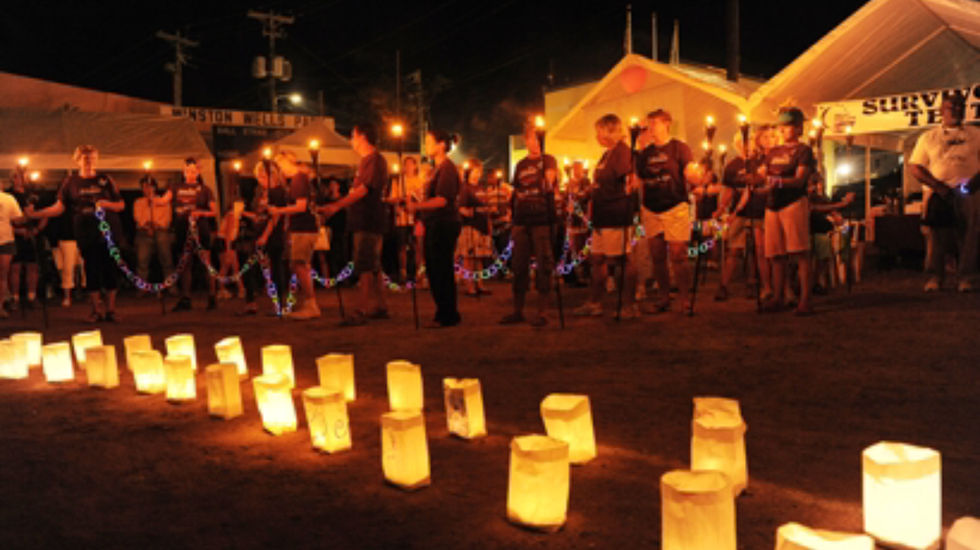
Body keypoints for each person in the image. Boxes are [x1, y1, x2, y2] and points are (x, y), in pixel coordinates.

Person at [27, 145, 126, 322]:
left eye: (92, 158)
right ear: (77, 160)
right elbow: (59, 207)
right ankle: (96, 310)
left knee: (110, 270)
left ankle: (111, 310)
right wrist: (37, 214)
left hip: (109, 232)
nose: (89, 161)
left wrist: (106, 204)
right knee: (92, 270)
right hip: (86, 231)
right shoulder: (70, 182)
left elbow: (121, 205)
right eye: (85, 158)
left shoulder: (106, 179)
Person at [910, 91, 980, 293]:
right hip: (937, 193)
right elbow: (916, 166)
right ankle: (934, 276)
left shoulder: (976, 134)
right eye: (952, 107)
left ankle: (966, 277)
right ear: (942, 111)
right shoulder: (928, 137)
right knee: (935, 236)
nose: (957, 110)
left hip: (969, 191)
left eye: (960, 106)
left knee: (969, 234)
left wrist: (975, 183)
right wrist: (937, 186)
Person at [321, 124, 390, 326]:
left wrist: (337, 206)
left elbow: (363, 190)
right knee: (374, 266)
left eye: (353, 136)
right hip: (363, 219)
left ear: (363, 137)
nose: (351, 140)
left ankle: (361, 309)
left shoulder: (375, 160)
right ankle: (380, 306)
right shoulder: (366, 162)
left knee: (365, 265)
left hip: (369, 220)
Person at [634, 109, 702, 315]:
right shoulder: (644, 154)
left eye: (654, 123)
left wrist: (694, 177)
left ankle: (684, 298)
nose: (651, 127)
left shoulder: (679, 148)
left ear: (666, 124)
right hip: (651, 207)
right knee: (656, 255)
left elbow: (691, 174)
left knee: (678, 254)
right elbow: (639, 180)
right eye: (649, 123)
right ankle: (664, 297)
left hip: (674, 205)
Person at [574, 114, 640, 319]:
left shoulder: (622, 152)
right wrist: (588, 192)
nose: (596, 136)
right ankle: (595, 302)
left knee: (621, 260)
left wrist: (631, 185)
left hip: (616, 214)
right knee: (597, 259)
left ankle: (629, 304)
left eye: (599, 131)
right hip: (601, 216)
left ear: (610, 130)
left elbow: (629, 180)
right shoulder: (606, 154)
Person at [760, 107, 816, 315]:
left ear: (799, 128)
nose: (783, 130)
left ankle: (805, 300)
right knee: (776, 254)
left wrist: (774, 181)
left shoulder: (803, 151)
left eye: (788, 125)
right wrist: (754, 181)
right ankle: (777, 297)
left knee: (800, 252)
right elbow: (763, 177)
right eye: (781, 126)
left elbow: (800, 179)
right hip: (772, 205)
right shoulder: (772, 152)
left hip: (793, 203)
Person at [501, 124, 558, 326]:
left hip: (541, 219)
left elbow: (549, 184)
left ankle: (543, 311)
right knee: (519, 265)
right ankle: (518, 310)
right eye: (529, 139)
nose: (533, 143)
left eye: (536, 138)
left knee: (544, 264)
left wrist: (546, 177)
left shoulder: (548, 160)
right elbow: (516, 189)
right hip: (521, 220)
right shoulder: (520, 165)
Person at [408, 130, 462, 328]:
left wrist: (418, 206)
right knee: (433, 267)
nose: (426, 146)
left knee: (441, 268)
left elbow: (442, 200)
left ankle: (449, 312)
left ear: (441, 145)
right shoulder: (435, 169)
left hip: (444, 222)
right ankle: (442, 310)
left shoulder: (447, 168)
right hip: (433, 222)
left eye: (429, 142)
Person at [716, 129, 769, 301]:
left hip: (758, 210)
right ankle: (724, 285)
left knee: (758, 250)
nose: (745, 146)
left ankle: (756, 284)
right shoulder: (731, 166)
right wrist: (722, 208)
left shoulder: (761, 162)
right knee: (734, 249)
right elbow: (729, 191)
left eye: (748, 142)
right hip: (739, 213)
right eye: (741, 143)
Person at [272, 150, 321, 320]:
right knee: (300, 264)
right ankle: (308, 301)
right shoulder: (302, 179)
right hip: (304, 227)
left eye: (281, 166)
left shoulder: (299, 179)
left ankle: (311, 303)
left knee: (300, 264)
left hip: (303, 228)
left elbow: (301, 206)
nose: (280, 170)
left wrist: (279, 210)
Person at [169, 158, 218, 312]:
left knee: (206, 263)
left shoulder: (205, 189)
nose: (190, 174)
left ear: (198, 172)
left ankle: (212, 296)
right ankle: (186, 298)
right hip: (183, 229)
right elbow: (164, 200)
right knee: (185, 264)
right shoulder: (176, 187)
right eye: (187, 170)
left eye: (193, 171)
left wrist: (200, 213)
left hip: (200, 230)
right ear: (183, 171)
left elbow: (214, 211)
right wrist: (152, 197)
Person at [8, 169, 46, 311]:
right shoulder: (8, 195)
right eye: (18, 177)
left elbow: (44, 214)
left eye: (23, 177)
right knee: (15, 268)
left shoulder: (33, 195)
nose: (21, 179)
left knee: (33, 266)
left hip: (33, 235)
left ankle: (32, 296)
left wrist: (36, 230)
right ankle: (15, 298)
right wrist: (17, 230)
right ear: (13, 179)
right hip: (15, 236)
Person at [133, 174, 175, 294]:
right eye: (144, 187)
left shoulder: (163, 201)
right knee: (142, 261)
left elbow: (167, 218)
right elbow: (138, 217)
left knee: (167, 260)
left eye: (149, 186)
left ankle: (171, 286)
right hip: (144, 233)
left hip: (161, 232)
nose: (147, 189)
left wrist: (157, 224)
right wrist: (147, 225)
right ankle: (142, 288)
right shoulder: (139, 202)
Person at [457, 159, 493, 298]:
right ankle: (470, 286)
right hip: (470, 226)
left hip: (482, 225)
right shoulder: (465, 187)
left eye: (478, 171)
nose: (476, 174)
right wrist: (469, 211)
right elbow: (460, 208)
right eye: (474, 171)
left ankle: (480, 284)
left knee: (479, 257)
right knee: (469, 257)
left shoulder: (481, 188)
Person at [388, 156, 424, 285]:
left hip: (417, 218)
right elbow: (392, 198)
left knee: (418, 245)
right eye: (406, 164)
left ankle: (418, 272)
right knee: (402, 245)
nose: (408, 167)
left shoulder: (420, 181)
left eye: (411, 164)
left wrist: (415, 198)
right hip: (402, 218)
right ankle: (403, 272)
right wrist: (402, 199)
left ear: (415, 166)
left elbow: (423, 197)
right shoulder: (398, 181)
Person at [0, 186, 25, 318]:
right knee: (2, 275)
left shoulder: (9, 199)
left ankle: (1, 305)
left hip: (5, 239)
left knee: (3, 275)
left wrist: (28, 215)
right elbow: (18, 219)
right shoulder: (9, 199)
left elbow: (17, 218)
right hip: (5, 239)